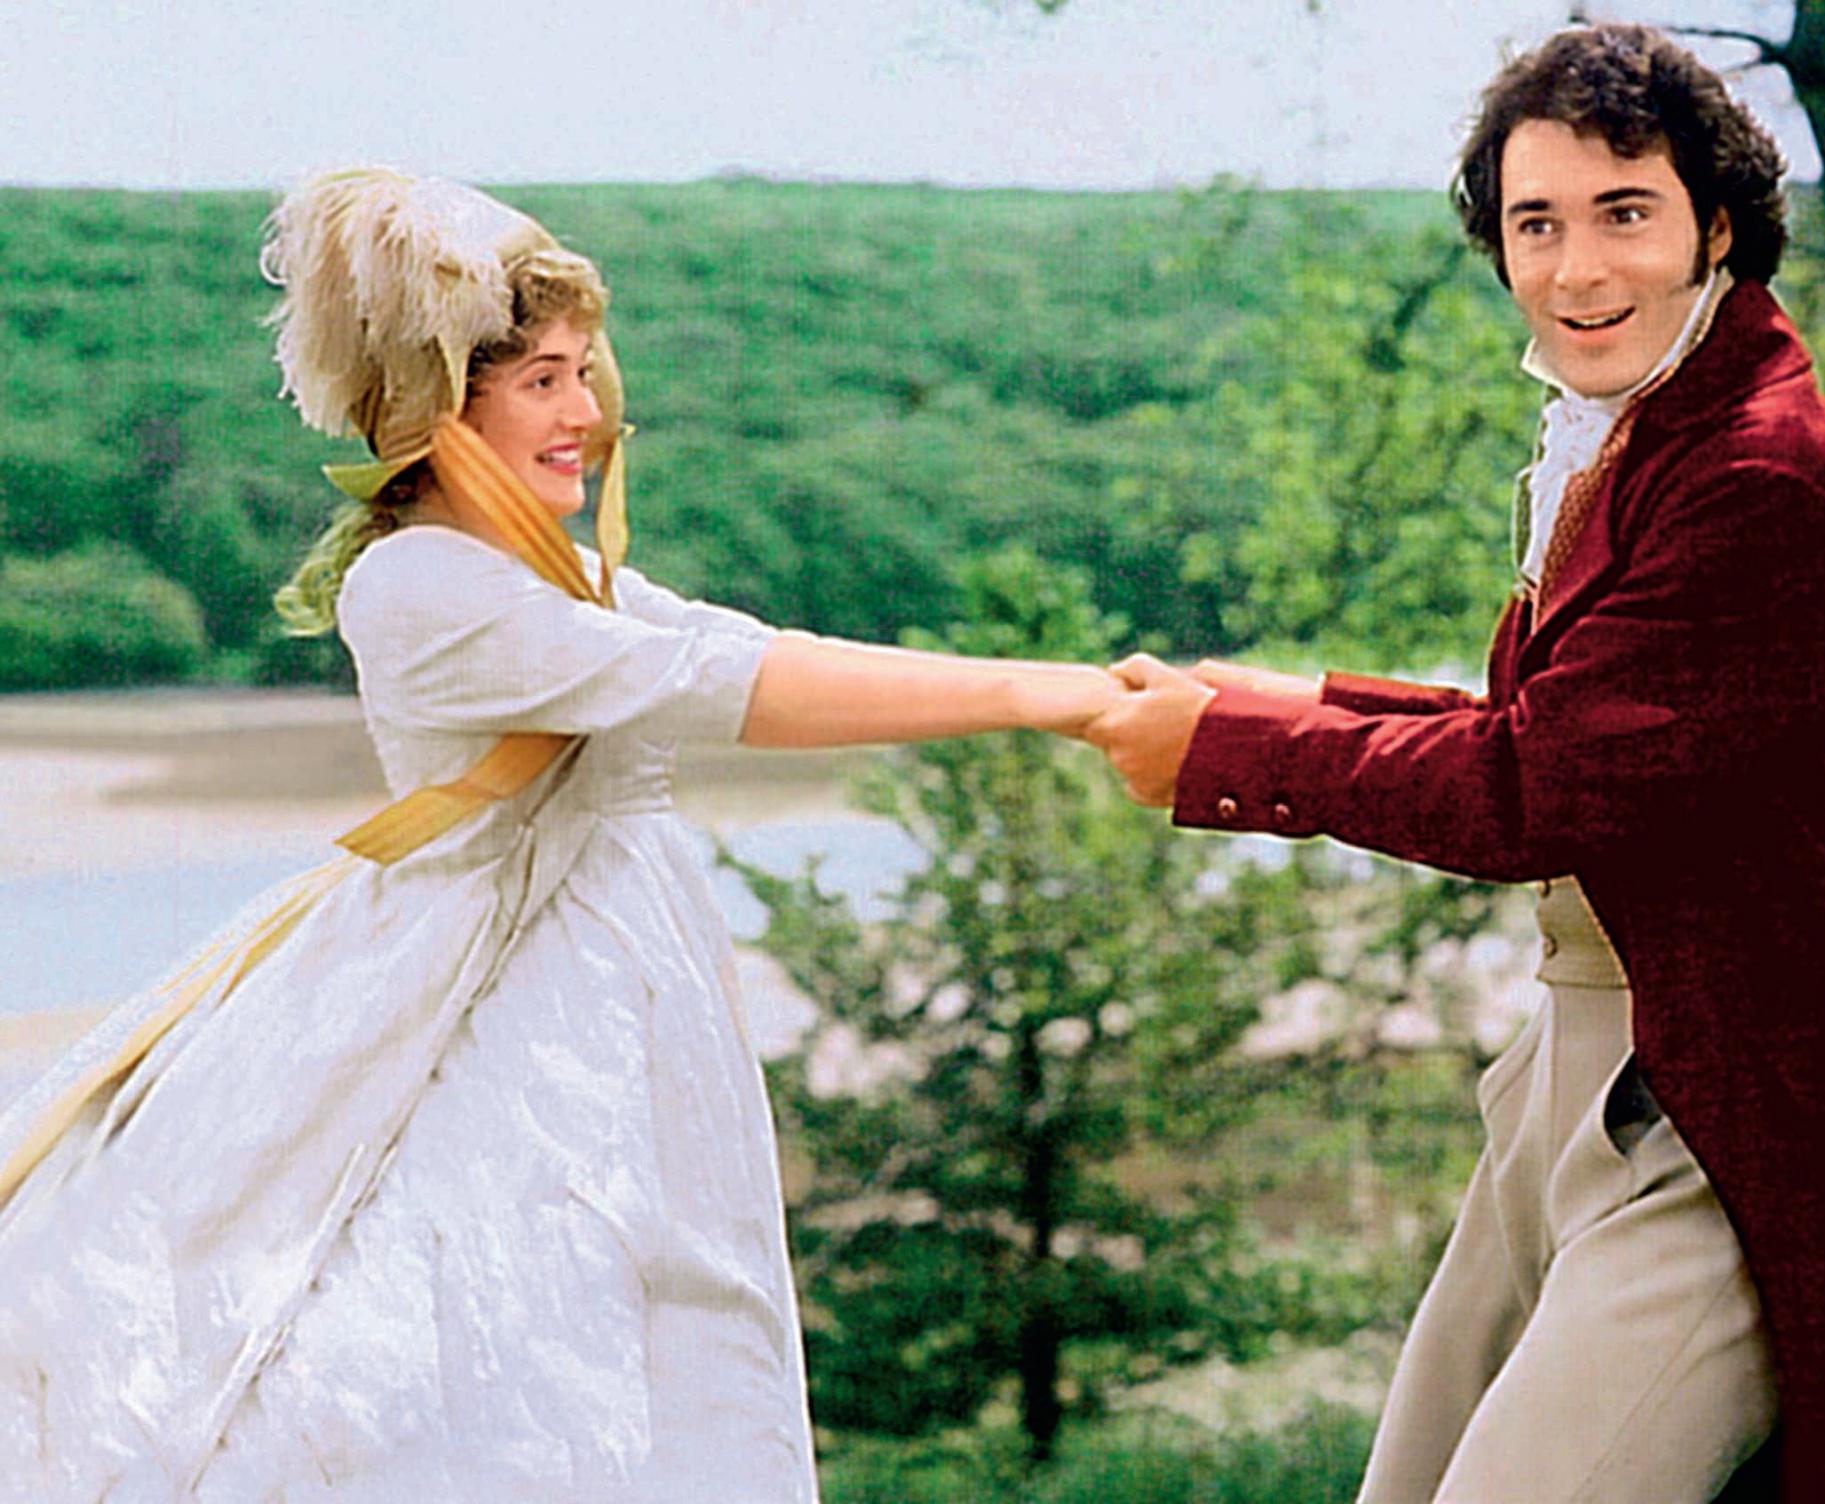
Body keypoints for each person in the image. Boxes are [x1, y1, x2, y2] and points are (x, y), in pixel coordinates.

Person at [0, 167, 1122, 1502]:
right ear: (440, 409)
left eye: (584, 373)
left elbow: (743, 642)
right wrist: (1047, 699)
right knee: (526, 1323)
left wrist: (1074, 687)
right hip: (499, 992)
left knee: (654, 1312)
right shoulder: (422, 582)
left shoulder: (550, 575)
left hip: (614, 960)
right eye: (542, 380)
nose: (585, 411)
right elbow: (729, 687)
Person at [1085, 24, 1825, 1504]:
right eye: (1535, 223)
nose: (1577, 269)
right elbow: (1571, 728)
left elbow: (1538, 789)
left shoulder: (1771, 470)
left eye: (1624, 213)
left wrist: (1232, 755)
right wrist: (1300, 698)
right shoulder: (1633, 436)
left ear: (1714, 227)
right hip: (1580, 1071)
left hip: (1746, 1121)